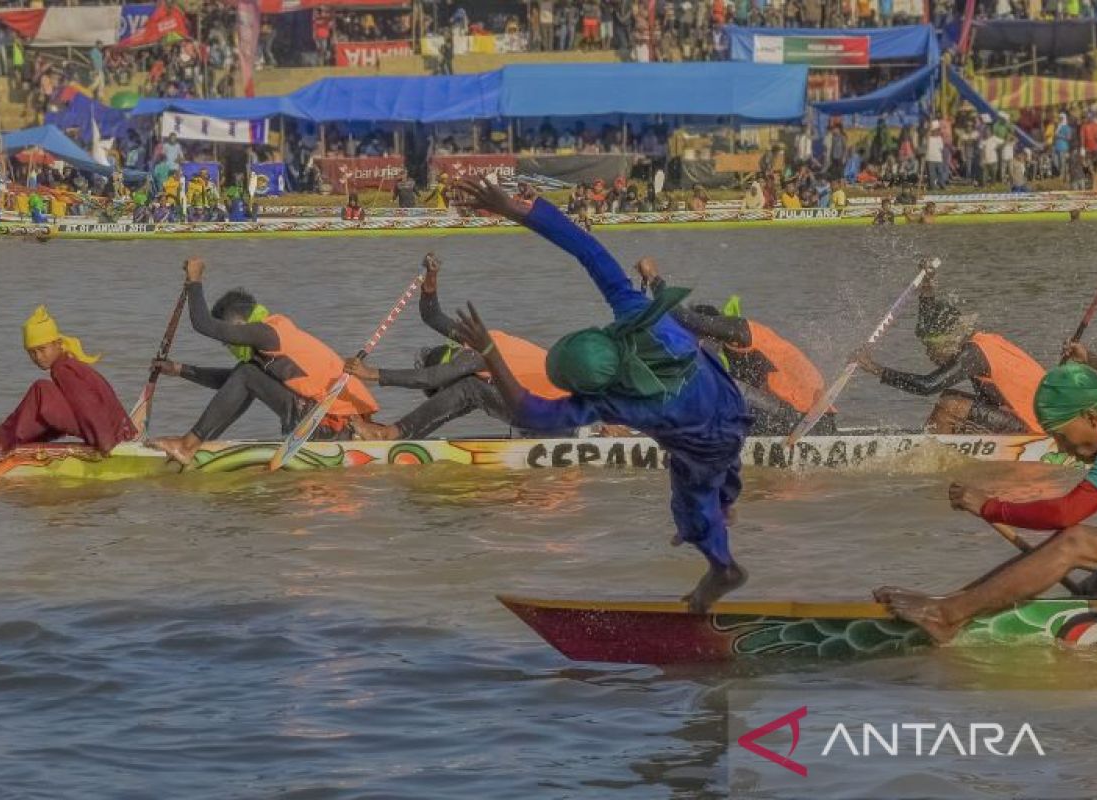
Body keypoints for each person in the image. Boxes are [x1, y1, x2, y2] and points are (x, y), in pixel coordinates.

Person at [448, 177, 751, 612]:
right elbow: (588, 251)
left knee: (691, 502)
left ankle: (723, 568)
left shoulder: (616, 401)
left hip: (708, 443)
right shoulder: (635, 312)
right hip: (730, 399)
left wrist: (490, 352)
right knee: (711, 474)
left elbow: (528, 413)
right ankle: (724, 506)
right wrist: (517, 211)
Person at [875, 364, 1097, 643]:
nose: (1062, 448)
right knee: (1088, 552)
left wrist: (990, 507)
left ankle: (947, 616)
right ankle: (954, 601)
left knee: (1076, 543)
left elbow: (1065, 513)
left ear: (1091, 416)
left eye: (1061, 436)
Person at [149, 258, 379, 465]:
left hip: (334, 425)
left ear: (239, 325)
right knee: (246, 372)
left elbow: (203, 324)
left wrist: (195, 280)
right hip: (332, 421)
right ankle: (197, 443)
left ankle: (188, 446)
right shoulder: (272, 339)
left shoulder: (266, 333)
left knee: (246, 373)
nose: (229, 346)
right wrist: (179, 369)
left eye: (228, 340)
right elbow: (231, 383)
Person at [345, 254, 571, 440]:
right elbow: (432, 316)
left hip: (557, 419)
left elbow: (431, 378)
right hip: (557, 413)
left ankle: (391, 434)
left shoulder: (478, 353)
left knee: (470, 388)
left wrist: (372, 373)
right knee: (475, 390)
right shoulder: (477, 339)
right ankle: (402, 434)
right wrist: (431, 280)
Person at [637, 259, 833, 436]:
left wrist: (653, 277)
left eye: (697, 339)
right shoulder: (735, 354)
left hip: (805, 420)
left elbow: (685, 318)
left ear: (710, 331)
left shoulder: (739, 330)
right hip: (798, 421)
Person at [855, 266, 1044, 434]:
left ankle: (924, 452)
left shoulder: (974, 354)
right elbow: (929, 323)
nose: (928, 354)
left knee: (950, 405)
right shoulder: (976, 344)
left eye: (930, 348)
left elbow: (927, 386)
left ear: (949, 341)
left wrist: (874, 368)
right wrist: (927, 289)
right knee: (950, 397)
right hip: (1029, 419)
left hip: (1037, 429)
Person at [0, 307, 135, 454]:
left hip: (111, 436)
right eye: (32, 352)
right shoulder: (66, 364)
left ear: (58, 344)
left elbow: (87, 403)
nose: (38, 357)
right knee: (44, 398)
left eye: (42, 349)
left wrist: (105, 442)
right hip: (113, 432)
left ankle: (4, 435)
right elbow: (63, 412)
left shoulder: (63, 370)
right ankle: (8, 433)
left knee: (41, 390)